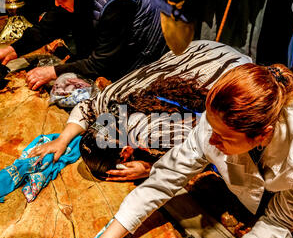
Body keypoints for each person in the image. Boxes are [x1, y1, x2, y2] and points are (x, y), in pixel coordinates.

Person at [35, 60, 293, 238]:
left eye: (224, 138)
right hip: (251, 201)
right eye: (211, 128)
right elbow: (163, 181)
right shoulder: (218, 121)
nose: (211, 140)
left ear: (263, 135)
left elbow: (280, 221)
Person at [28, 40, 252, 181]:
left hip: (235, 72)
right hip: (197, 47)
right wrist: (63, 139)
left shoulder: (154, 133)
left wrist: (149, 169)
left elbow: (198, 151)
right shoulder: (108, 100)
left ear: (126, 152)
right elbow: (85, 106)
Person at [0, 0, 171, 89]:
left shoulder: (116, 3)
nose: (56, 2)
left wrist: (52, 71)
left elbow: (102, 63)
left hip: (144, 56)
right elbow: (50, 24)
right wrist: (13, 49)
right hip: (112, 47)